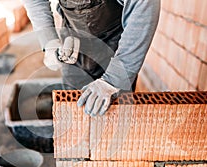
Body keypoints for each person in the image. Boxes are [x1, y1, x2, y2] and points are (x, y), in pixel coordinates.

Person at [22, 0, 160, 116]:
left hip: (115, 47)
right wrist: (49, 39)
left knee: (114, 121)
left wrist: (115, 79)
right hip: (74, 43)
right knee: (74, 115)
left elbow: (144, 4)